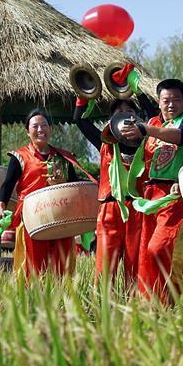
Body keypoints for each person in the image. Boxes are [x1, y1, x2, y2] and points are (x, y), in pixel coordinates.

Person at [119, 79, 183, 301]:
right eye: (166, 100)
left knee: (160, 249)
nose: (171, 104)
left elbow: (182, 137)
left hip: (175, 193)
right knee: (147, 254)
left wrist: (145, 128)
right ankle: (155, 303)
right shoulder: (156, 123)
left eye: (176, 99)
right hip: (150, 195)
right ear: (159, 103)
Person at [73, 94, 158, 286]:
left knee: (135, 268)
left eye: (130, 112)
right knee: (104, 269)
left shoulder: (149, 142)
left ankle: (134, 312)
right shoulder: (105, 143)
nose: (126, 116)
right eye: (119, 113)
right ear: (111, 120)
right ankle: (102, 311)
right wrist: (83, 96)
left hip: (137, 209)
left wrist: (140, 92)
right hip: (110, 211)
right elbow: (80, 120)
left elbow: (155, 118)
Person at [0, 109, 80, 277]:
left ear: (51, 129)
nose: (40, 130)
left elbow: (75, 185)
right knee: (33, 266)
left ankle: (60, 300)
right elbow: (7, 185)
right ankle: (31, 300)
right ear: (27, 131)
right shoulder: (19, 157)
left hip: (60, 217)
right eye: (35, 126)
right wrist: (1, 206)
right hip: (32, 219)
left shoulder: (63, 158)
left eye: (44, 125)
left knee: (61, 267)